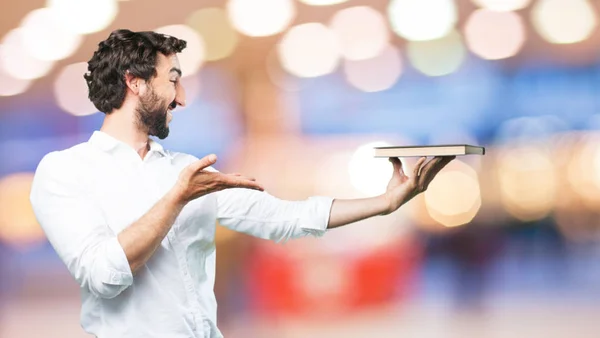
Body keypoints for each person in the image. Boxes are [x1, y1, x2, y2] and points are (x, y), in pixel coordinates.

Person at [29, 29, 454, 338]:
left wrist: (385, 202)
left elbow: (286, 217)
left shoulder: (188, 171)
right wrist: (177, 198)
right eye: (172, 80)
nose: (181, 98)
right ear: (134, 83)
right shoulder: (65, 171)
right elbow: (104, 274)